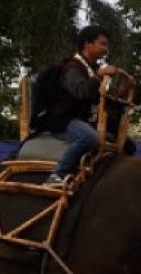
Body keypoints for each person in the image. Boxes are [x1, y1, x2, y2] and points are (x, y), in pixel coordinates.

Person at [42, 25, 128, 188]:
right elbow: (82, 92)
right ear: (87, 44)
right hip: (63, 121)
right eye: (102, 44)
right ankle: (57, 175)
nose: (106, 49)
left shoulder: (91, 70)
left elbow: (100, 99)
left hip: (81, 121)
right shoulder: (72, 68)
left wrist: (124, 88)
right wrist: (99, 76)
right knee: (89, 138)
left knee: (126, 143)